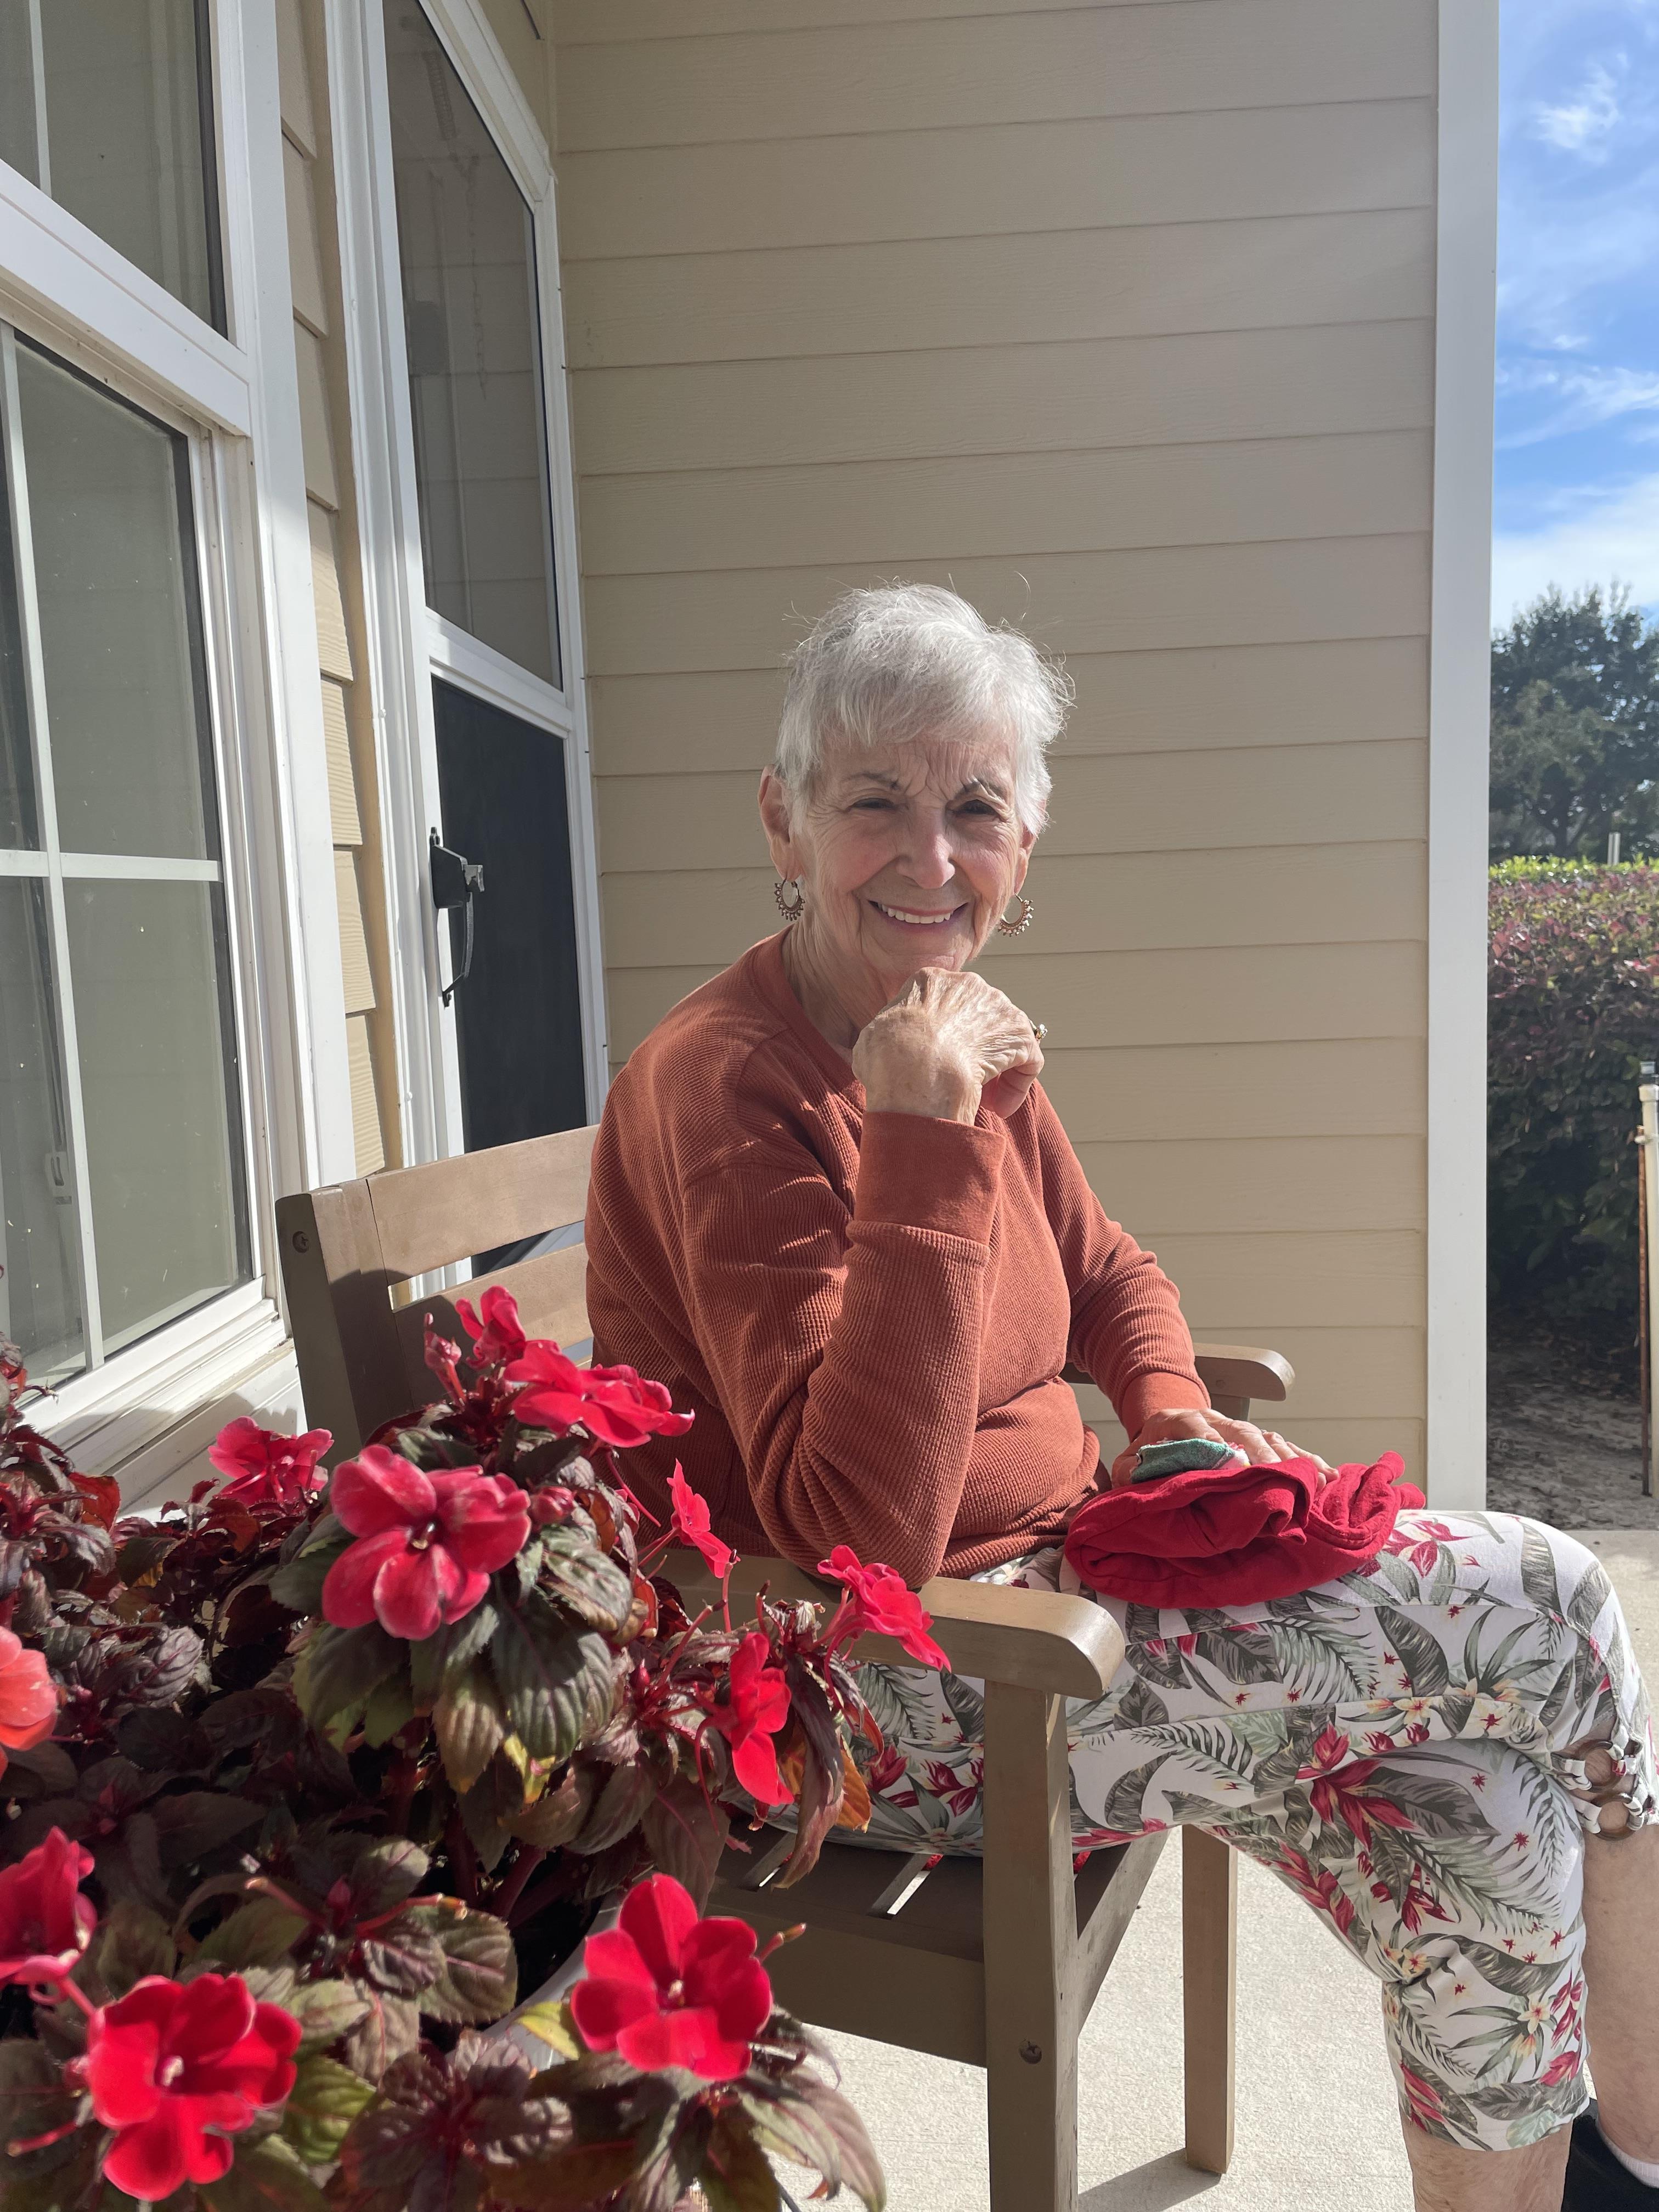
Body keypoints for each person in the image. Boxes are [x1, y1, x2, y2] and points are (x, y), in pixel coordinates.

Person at [586, 583, 1658, 2211]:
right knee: (1556, 1604)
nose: (931, 860)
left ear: (1026, 848)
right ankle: (1643, 2142)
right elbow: (857, 1538)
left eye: (977, 811)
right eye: (875, 801)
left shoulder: (970, 1042)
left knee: (1489, 1809)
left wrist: (1167, 1410)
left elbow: (1111, 1274)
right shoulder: (737, 1083)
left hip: (1065, 1595)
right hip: (878, 1687)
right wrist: (925, 1128)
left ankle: (1587, 2176)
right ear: (784, 821)